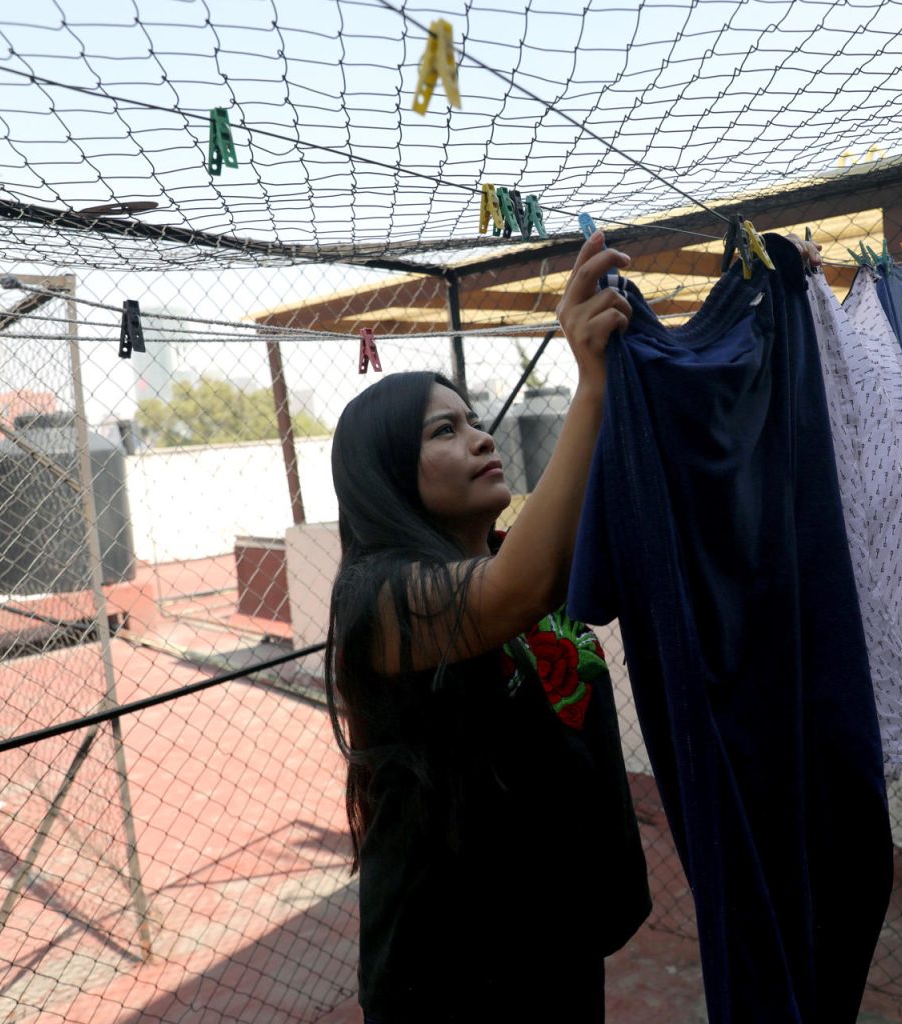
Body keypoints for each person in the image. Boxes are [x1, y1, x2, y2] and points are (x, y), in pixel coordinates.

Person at [326, 230, 650, 1024]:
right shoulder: (377, 600)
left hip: (550, 937)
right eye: (443, 431)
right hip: (451, 969)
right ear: (386, 476)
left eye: (473, 420)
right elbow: (518, 590)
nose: (480, 437)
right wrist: (592, 388)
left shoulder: (514, 554)